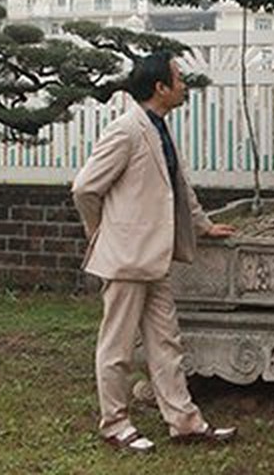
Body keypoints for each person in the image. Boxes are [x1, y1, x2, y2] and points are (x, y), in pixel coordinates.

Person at [72, 51, 237, 454]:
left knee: (167, 343)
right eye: (178, 78)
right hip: (127, 259)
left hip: (155, 259)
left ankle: (184, 421)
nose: (184, 85)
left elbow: (180, 188)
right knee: (118, 347)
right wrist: (102, 234)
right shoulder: (126, 130)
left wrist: (203, 226)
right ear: (160, 87)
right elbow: (84, 188)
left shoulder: (158, 128)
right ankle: (115, 424)